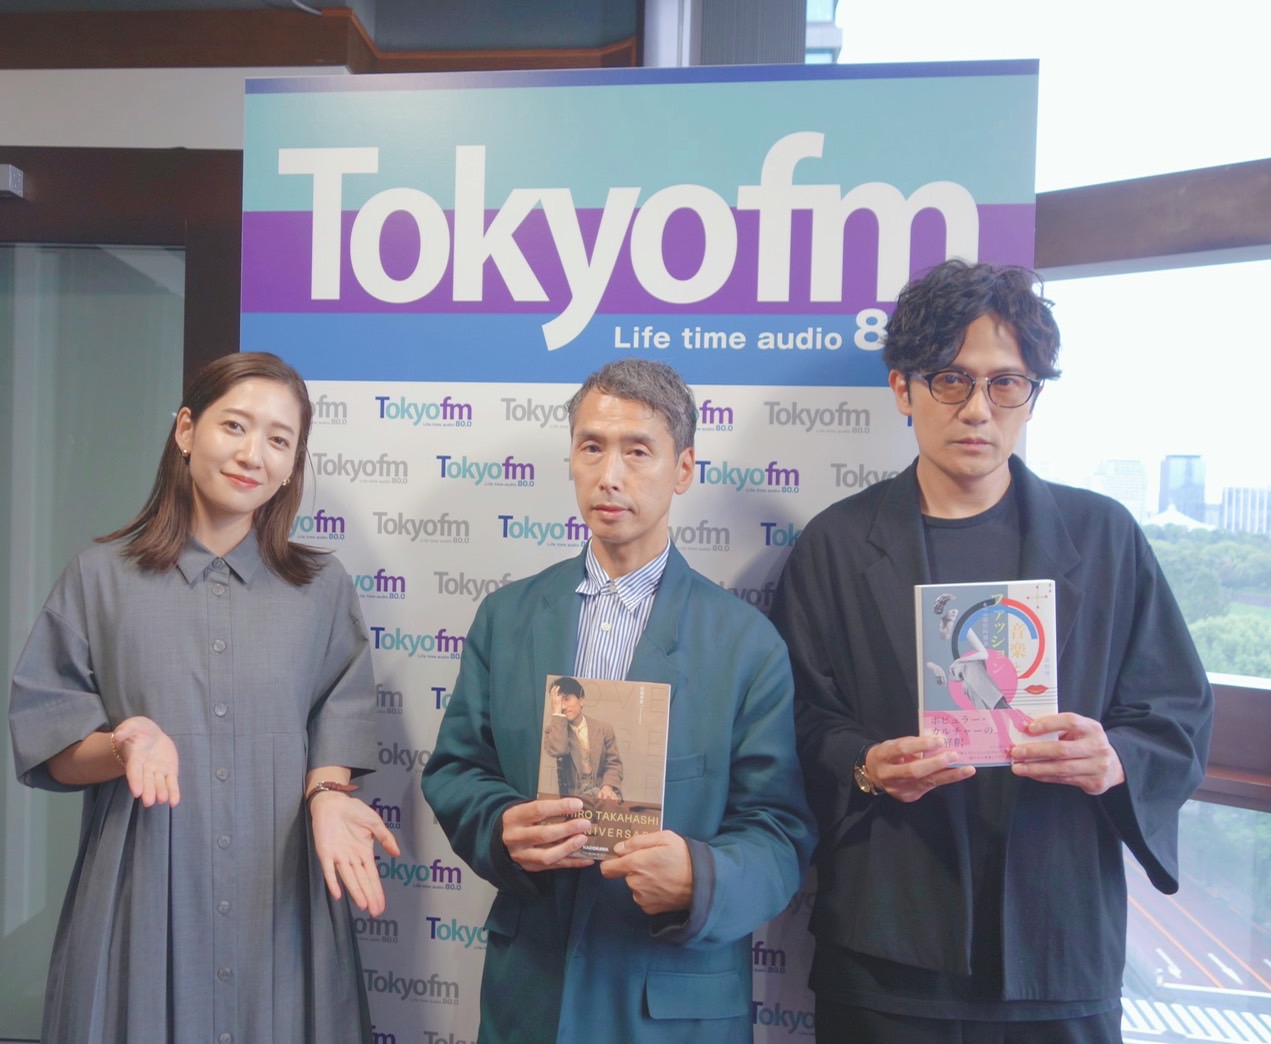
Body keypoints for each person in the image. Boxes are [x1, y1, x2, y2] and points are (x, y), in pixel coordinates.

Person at [769, 260, 1213, 1043]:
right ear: (903, 388)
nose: (978, 409)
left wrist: (1114, 760)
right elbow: (791, 722)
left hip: (1058, 945)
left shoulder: (1104, 538)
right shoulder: (835, 545)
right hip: (887, 946)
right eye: (951, 380)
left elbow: (1176, 714)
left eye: (1006, 383)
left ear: (1032, 395)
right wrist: (865, 765)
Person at [8, 352, 399, 1044]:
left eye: (279, 439)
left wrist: (329, 793)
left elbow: (338, 721)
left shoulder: (323, 589)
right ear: (187, 430)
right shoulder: (98, 579)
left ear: (293, 464)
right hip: (142, 899)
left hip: (284, 901)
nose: (253, 455)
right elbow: (51, 743)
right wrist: (125, 741)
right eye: (235, 426)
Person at [421, 358, 815, 1043]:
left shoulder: (745, 643)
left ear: (683, 469)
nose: (609, 475)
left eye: (637, 451)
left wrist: (701, 877)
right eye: (592, 448)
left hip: (672, 1004)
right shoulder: (507, 618)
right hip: (533, 991)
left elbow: (779, 830)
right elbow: (457, 770)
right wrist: (502, 826)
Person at [541, 675, 623, 800]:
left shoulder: (604, 729)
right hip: (575, 797)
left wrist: (607, 787)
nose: (563, 706)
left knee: (612, 806)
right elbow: (559, 750)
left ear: (581, 700)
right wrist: (557, 713)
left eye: (567, 699)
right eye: (559, 702)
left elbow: (614, 764)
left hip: (602, 790)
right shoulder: (553, 731)